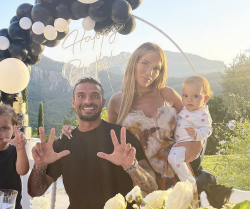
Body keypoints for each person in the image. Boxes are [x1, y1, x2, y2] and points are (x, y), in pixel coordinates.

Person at [62, 43, 203, 189]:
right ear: (134, 63)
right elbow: (107, 139)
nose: (150, 72)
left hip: (178, 180)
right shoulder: (118, 102)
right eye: (145, 64)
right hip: (138, 183)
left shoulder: (168, 95)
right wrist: (78, 130)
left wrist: (198, 142)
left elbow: (195, 121)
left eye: (156, 68)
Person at [27, 77, 157, 209]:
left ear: (103, 102)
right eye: (81, 96)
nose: (88, 101)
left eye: (95, 96)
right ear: (73, 102)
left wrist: (131, 167)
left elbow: (151, 186)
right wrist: (40, 165)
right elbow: (35, 191)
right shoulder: (63, 143)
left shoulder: (121, 137)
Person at [168, 76, 213, 185]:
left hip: (187, 144)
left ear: (205, 99)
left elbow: (208, 130)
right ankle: (185, 181)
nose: (189, 99)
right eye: (185, 95)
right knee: (173, 159)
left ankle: (189, 182)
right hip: (179, 144)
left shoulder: (202, 114)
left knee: (173, 159)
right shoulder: (186, 108)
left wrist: (197, 134)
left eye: (195, 96)